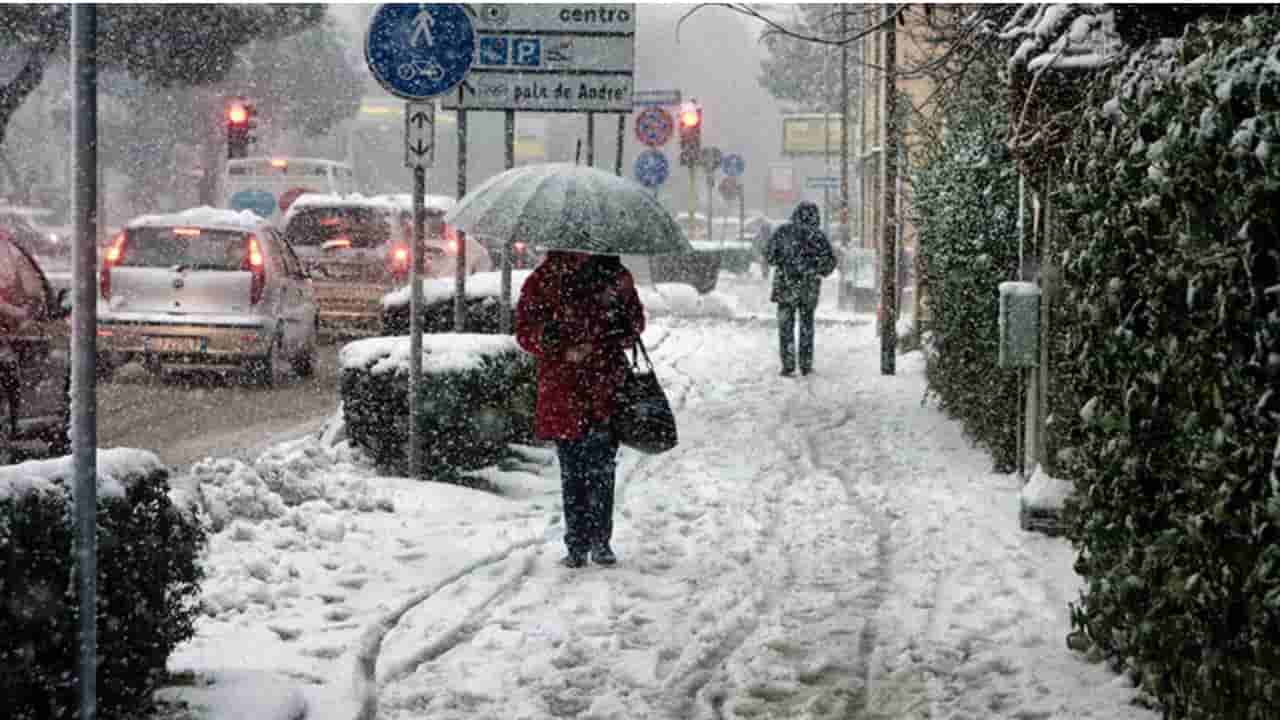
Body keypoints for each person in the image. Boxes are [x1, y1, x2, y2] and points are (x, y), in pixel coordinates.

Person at [515, 250, 646, 568]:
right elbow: (526, 331)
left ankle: (592, 542)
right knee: (580, 469)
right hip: (570, 388)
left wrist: (603, 336)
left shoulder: (610, 276)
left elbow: (634, 325)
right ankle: (585, 542)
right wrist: (558, 341)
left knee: (593, 467)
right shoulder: (546, 280)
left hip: (597, 386)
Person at [766, 201, 836, 377]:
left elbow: (769, 255)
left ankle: (788, 364)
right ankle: (805, 364)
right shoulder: (818, 236)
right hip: (808, 287)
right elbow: (830, 262)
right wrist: (816, 271)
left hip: (785, 285)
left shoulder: (783, 232)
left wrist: (784, 263)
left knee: (785, 327)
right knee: (806, 325)